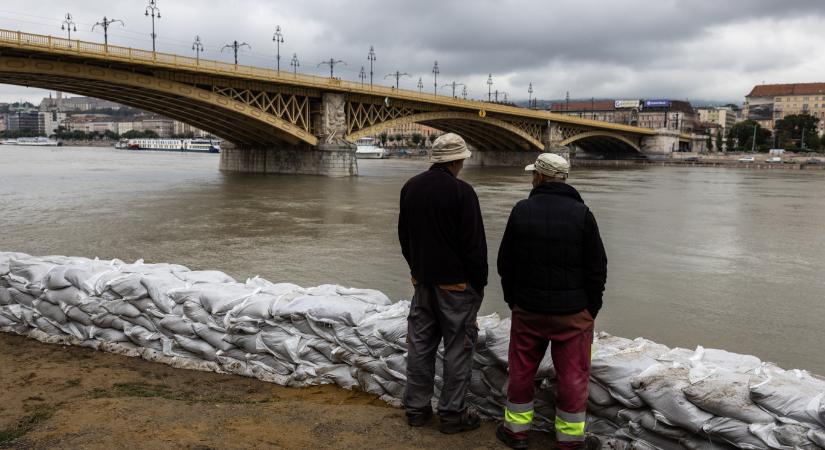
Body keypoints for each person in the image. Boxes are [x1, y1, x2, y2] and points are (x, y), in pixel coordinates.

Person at [495, 153, 607, 449]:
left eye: (534, 174)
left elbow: (505, 262)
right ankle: (569, 441)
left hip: (528, 310)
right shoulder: (582, 214)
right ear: (564, 179)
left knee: (521, 370)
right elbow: (597, 267)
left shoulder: (522, 210)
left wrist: (513, 300)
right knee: (572, 376)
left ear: (540, 177)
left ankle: (515, 433)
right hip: (572, 315)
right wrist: (590, 309)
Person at [398, 133, 487, 434]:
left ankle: (417, 410)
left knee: (420, 347)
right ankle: (451, 415)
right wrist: (479, 285)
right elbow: (474, 247)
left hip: (422, 283)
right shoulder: (463, 192)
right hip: (457, 288)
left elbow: (404, 236)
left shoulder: (411, 187)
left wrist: (416, 270)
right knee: (458, 349)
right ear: (458, 160)